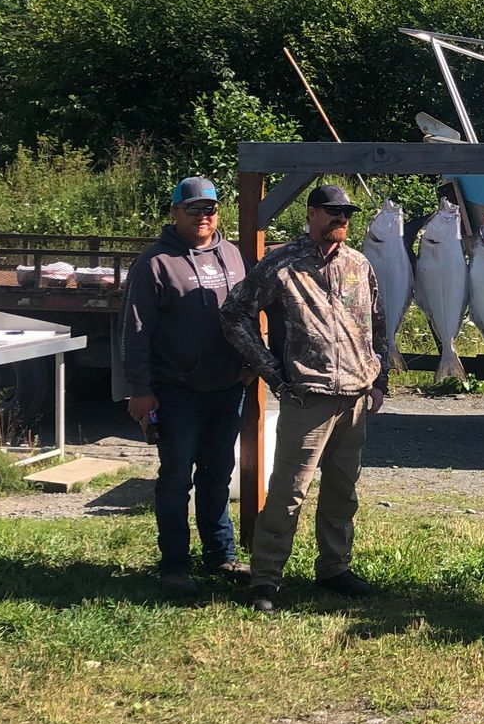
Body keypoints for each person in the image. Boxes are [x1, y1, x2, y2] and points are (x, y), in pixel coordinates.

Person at [219, 183, 387, 613]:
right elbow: (235, 313)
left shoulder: (359, 264)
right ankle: (266, 579)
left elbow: (379, 325)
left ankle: (334, 568)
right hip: (305, 397)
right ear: (311, 214)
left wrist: (379, 378)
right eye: (332, 212)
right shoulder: (282, 264)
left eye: (346, 213)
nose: (341, 219)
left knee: (342, 492)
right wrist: (272, 372)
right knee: (289, 492)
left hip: (354, 397)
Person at [123, 175, 249, 596]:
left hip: (228, 387)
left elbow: (246, 314)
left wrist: (250, 362)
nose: (203, 216)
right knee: (176, 479)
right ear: (175, 212)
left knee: (218, 475)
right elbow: (136, 331)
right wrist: (140, 391)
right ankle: (175, 564)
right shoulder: (155, 262)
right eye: (193, 209)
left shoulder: (231, 254)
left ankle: (221, 555)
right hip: (177, 391)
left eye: (209, 208)